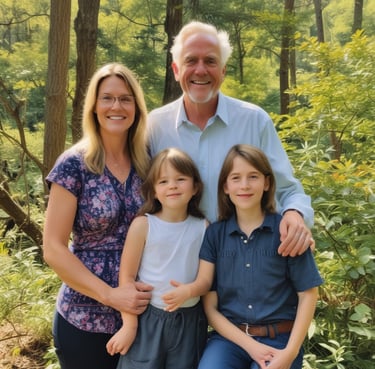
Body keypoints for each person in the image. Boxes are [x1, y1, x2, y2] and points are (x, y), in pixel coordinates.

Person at [148, 21, 314, 257]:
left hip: (245, 264)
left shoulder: (254, 121)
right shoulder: (154, 126)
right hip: (176, 266)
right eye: (191, 60)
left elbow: (288, 190)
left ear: (223, 70)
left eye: (211, 61)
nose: (201, 70)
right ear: (176, 70)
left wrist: (295, 215)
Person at [164, 144, 323, 369]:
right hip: (230, 340)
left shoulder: (287, 231)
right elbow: (210, 307)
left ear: (267, 183)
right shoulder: (215, 234)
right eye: (236, 178)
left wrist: (290, 352)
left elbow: (308, 293)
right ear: (225, 186)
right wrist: (251, 346)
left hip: (280, 339)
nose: (245, 185)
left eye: (253, 176)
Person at [43, 62, 153, 369]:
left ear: (137, 107)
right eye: (107, 97)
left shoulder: (149, 164)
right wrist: (110, 296)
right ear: (93, 106)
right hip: (83, 320)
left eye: (125, 98)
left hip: (145, 319)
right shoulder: (73, 165)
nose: (116, 106)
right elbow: (52, 247)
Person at [106, 147, 209, 369]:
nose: (172, 185)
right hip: (148, 318)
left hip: (189, 320)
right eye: (163, 181)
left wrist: (189, 291)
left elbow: (207, 280)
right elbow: (127, 278)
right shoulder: (143, 225)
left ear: (195, 188)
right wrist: (129, 326)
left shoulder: (202, 227)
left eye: (180, 179)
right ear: (153, 190)